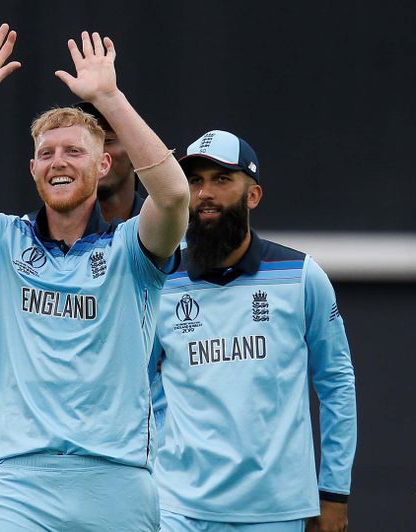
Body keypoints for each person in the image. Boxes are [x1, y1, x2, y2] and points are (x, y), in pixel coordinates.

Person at [0, 27, 189, 530]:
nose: (58, 162)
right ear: (33, 169)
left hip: (117, 482)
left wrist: (109, 99)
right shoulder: (1, 242)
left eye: (74, 151)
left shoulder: (132, 248)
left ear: (104, 163)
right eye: (46, 154)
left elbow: (174, 196)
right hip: (19, 485)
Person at [149, 130, 357, 532]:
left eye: (222, 179)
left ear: (253, 196)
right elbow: (142, 385)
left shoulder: (301, 276)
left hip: (275, 512)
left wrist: (334, 494)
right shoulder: (159, 278)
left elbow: (337, 384)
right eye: (195, 181)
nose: (205, 193)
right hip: (176, 507)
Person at [0, 98, 145, 373]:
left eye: (108, 140)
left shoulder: (166, 238)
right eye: (48, 153)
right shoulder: (20, 239)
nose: (60, 162)